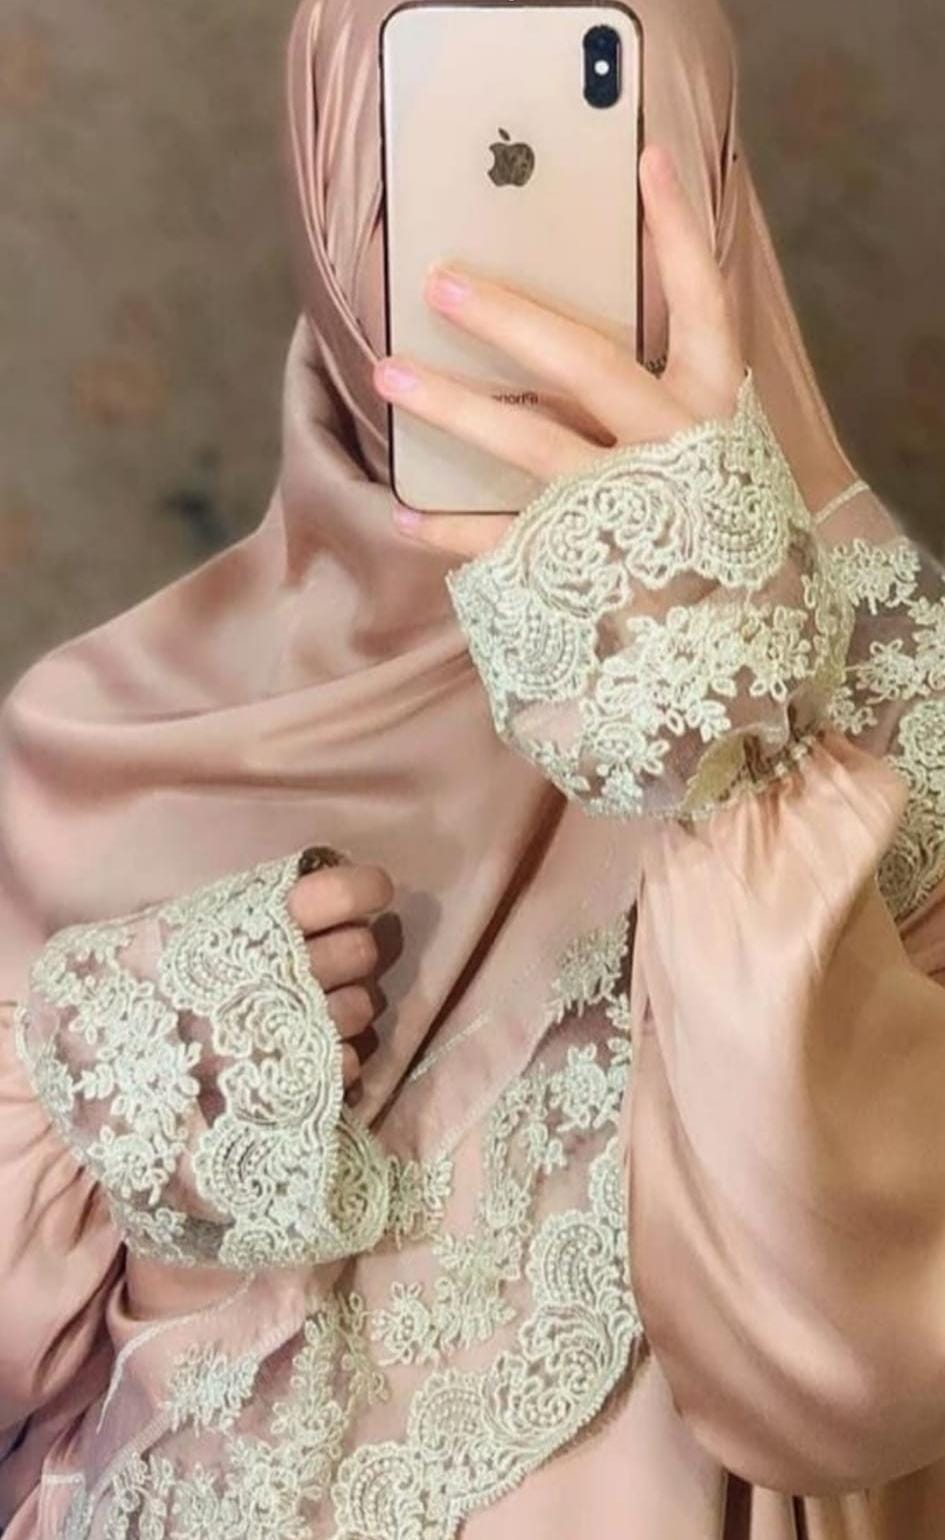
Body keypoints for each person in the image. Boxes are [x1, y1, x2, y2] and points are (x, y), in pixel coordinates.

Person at [1, 0, 944, 1534]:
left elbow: (840, 1378)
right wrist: (146, 1107)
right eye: (439, 160)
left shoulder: (898, 705)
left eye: (591, 159)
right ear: (327, 202)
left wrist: (736, 757)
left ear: (704, 197)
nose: (511, 285)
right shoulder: (98, 734)